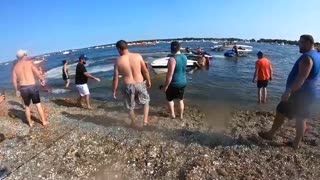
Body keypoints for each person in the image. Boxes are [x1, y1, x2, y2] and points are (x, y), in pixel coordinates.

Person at [259, 35, 320, 149]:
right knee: (301, 117)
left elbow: (301, 78)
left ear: (307, 43)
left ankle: (270, 134)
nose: (298, 45)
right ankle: (296, 143)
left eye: (300, 42)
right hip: (310, 92)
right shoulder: (317, 55)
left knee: (281, 110)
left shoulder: (307, 58)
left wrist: (289, 92)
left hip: (300, 93)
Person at [113, 40, 151, 126]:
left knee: (129, 105)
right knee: (146, 101)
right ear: (127, 47)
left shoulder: (118, 61)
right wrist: (149, 81)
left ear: (119, 49)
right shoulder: (138, 56)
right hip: (140, 83)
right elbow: (145, 71)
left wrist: (114, 90)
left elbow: (115, 78)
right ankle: (145, 121)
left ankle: (134, 121)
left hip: (128, 85)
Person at [12, 50, 48, 127]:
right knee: (38, 105)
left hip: (23, 88)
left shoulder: (15, 68)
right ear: (24, 56)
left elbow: (14, 81)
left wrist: (17, 90)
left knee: (27, 106)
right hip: (32, 87)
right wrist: (42, 80)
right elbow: (37, 73)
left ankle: (30, 123)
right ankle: (44, 121)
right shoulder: (29, 63)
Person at [163, 41, 187, 120]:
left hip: (174, 83)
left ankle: (173, 115)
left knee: (170, 99)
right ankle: (181, 116)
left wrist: (165, 86)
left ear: (171, 48)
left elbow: (170, 75)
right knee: (180, 100)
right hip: (183, 81)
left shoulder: (172, 59)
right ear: (179, 48)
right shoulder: (184, 57)